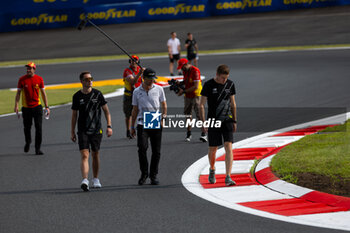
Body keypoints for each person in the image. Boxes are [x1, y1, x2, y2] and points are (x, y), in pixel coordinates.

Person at [71, 71, 113, 192]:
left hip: (96, 129)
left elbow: (106, 111)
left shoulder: (98, 94)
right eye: (87, 79)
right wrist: (72, 131)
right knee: (85, 154)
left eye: (91, 79)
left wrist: (109, 126)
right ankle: (85, 180)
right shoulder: (77, 96)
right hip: (82, 130)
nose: (90, 81)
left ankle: (95, 178)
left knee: (95, 154)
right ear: (82, 81)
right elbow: (74, 115)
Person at [199, 64, 237, 186]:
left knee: (228, 146)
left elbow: (233, 104)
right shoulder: (208, 85)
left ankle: (228, 176)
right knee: (213, 149)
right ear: (217, 75)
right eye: (222, 78)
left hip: (227, 120)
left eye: (226, 78)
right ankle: (212, 168)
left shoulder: (230, 84)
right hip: (213, 120)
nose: (224, 80)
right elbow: (201, 105)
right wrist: (203, 121)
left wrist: (235, 120)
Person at [131, 68, 167, 185]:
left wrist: (163, 118)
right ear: (143, 78)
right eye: (149, 78)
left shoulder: (159, 89)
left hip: (155, 119)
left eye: (153, 79)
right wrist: (132, 126)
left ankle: (153, 175)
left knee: (156, 151)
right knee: (142, 148)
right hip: (142, 122)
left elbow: (164, 105)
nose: (152, 81)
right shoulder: (136, 91)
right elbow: (135, 109)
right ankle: (144, 173)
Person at [14, 62, 50, 155]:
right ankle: (28, 142)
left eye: (30, 68)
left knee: (39, 128)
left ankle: (37, 149)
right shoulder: (22, 80)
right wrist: (16, 105)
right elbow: (18, 93)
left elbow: (43, 93)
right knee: (27, 127)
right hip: (26, 108)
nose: (28, 70)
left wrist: (47, 106)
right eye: (27, 68)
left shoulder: (39, 79)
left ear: (34, 69)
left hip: (37, 107)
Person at [176, 58, 207, 142]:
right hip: (187, 95)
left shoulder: (195, 71)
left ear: (186, 64)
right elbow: (186, 81)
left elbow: (195, 86)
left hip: (196, 95)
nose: (181, 69)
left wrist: (183, 91)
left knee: (199, 114)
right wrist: (180, 83)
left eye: (181, 67)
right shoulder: (185, 70)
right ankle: (189, 134)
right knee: (187, 114)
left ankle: (204, 134)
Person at [123, 55, 142, 139]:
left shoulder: (140, 70)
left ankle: (140, 130)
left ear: (138, 61)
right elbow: (132, 81)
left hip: (140, 95)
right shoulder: (127, 71)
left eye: (135, 60)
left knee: (140, 113)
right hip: (129, 96)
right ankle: (128, 130)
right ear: (129, 62)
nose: (133, 62)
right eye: (132, 60)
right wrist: (140, 74)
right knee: (128, 114)